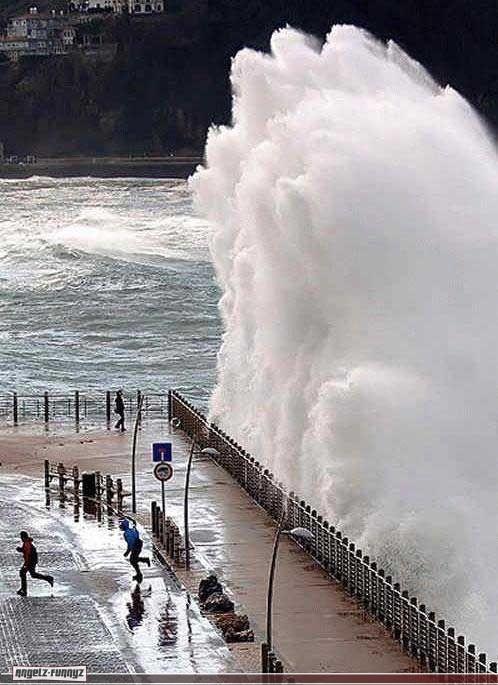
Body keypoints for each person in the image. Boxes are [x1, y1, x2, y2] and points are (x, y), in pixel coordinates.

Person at [16, 531, 54, 597]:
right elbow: (25, 550)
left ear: (23, 537)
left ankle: (24, 591)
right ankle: (48, 578)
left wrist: (26, 565)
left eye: (21, 537)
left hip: (31, 561)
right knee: (31, 574)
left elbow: (28, 554)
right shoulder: (26, 542)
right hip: (31, 560)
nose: (21, 539)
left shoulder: (27, 543)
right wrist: (21, 549)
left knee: (23, 573)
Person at [119, 519, 150, 583]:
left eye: (121, 526)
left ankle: (139, 573)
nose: (120, 527)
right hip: (138, 543)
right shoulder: (131, 530)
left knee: (132, 560)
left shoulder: (126, 533)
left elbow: (130, 543)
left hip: (136, 545)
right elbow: (136, 533)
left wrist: (127, 552)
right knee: (134, 559)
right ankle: (140, 571)